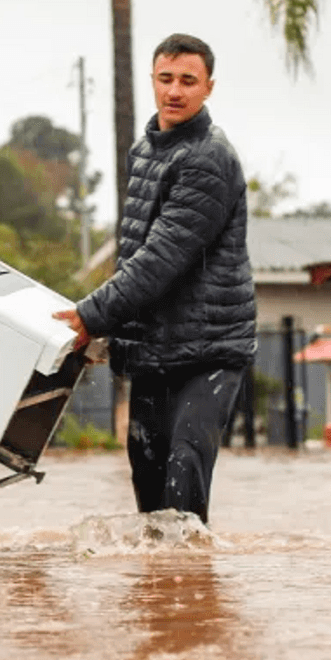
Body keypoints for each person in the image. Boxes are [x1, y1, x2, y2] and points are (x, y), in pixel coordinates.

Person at [54, 33, 256, 525]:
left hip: (209, 349)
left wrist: (89, 314)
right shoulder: (145, 151)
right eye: (166, 79)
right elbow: (134, 249)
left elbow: (162, 257)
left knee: (183, 481)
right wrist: (109, 330)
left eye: (188, 81)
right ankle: (162, 598)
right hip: (152, 348)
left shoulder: (209, 159)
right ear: (152, 81)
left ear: (208, 87)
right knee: (148, 488)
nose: (175, 91)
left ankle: (194, 598)